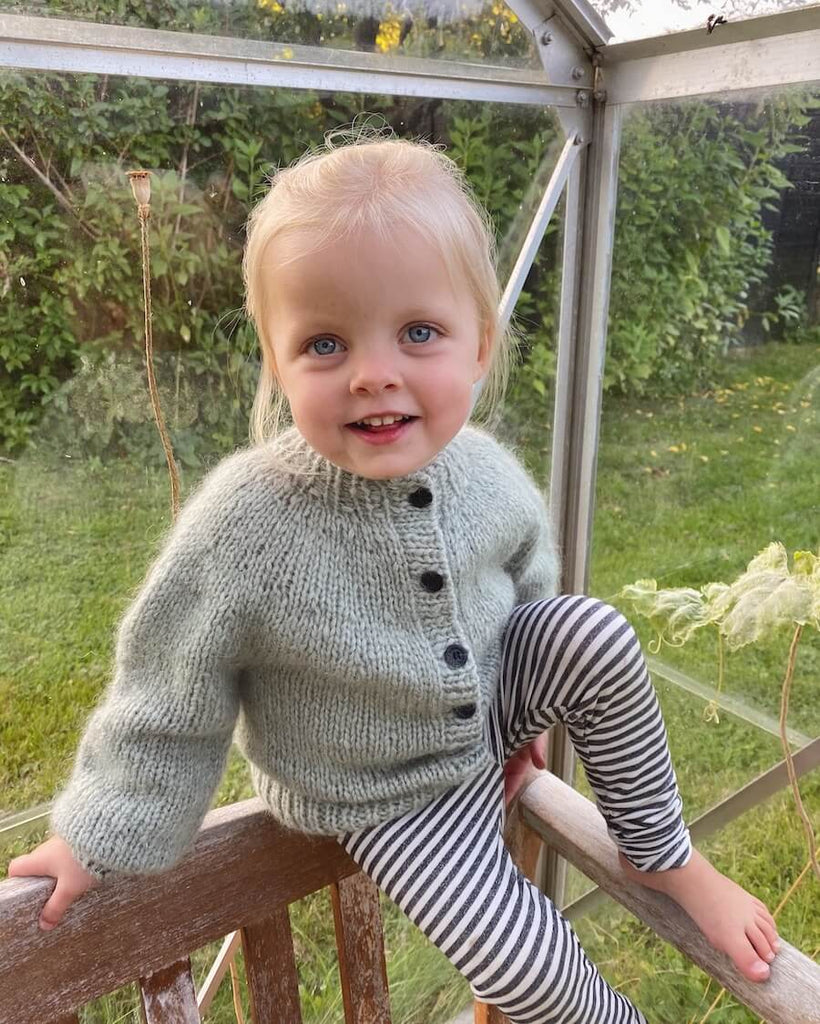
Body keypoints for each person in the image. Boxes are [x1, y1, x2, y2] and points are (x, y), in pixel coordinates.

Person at [8, 129, 779, 1024]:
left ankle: (658, 851)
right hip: (383, 794)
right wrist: (96, 835)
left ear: (480, 344)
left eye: (418, 333)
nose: (375, 375)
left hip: (484, 717)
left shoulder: (483, 470)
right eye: (325, 344)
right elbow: (168, 690)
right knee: (523, 968)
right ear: (276, 360)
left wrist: (525, 717)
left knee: (591, 631)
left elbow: (529, 578)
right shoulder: (246, 522)